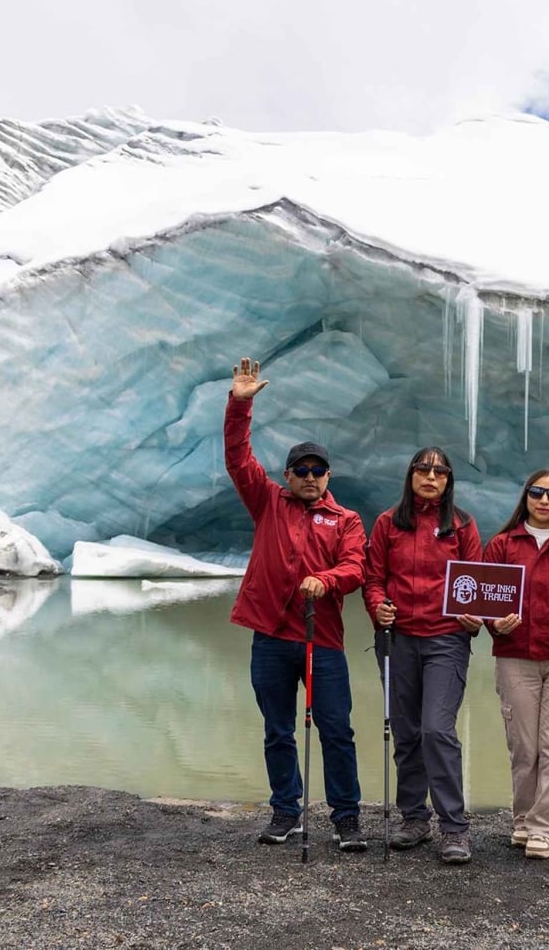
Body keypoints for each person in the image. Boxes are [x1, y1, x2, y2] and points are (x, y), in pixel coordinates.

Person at [225, 357, 368, 852]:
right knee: (278, 730)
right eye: (302, 470)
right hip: (270, 636)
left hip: (321, 639)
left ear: (328, 475)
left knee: (337, 730)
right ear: (287, 475)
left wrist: (325, 581)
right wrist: (239, 405)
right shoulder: (267, 501)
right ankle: (286, 809)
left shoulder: (346, 519)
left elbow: (356, 568)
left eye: (318, 470)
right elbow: (238, 458)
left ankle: (346, 817)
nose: (310, 477)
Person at [460, 469, 549, 860]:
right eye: (537, 492)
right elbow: (486, 598)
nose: (544, 501)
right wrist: (494, 625)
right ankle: (522, 819)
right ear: (526, 497)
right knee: (523, 746)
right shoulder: (502, 545)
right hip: (515, 656)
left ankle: (543, 828)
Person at [363, 447, 482, 864]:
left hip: (446, 639)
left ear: (449, 480)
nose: (431, 477)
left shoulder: (462, 525)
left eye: (440, 471)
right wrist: (377, 606)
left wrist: (475, 617)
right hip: (398, 639)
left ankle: (454, 827)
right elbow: (373, 578)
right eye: (423, 469)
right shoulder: (388, 523)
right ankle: (414, 817)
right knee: (406, 730)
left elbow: (477, 581)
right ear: (411, 474)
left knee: (436, 729)